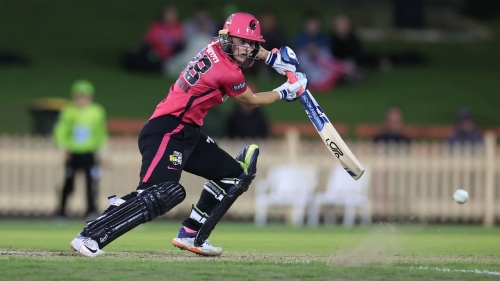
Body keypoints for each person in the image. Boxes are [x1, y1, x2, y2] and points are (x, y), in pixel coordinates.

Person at [69, 12, 308, 258]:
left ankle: (191, 233)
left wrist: (273, 58)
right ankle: (91, 236)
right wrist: (285, 91)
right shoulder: (228, 72)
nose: (246, 49)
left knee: (234, 176)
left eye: (251, 44)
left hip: (187, 132)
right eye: (242, 42)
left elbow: (243, 47)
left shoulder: (215, 45)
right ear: (228, 39)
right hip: (167, 129)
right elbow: (252, 100)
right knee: (162, 192)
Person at [53, 80, 108, 220]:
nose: (82, 99)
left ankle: (91, 210)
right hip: (73, 152)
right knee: (68, 182)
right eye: (79, 96)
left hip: (89, 152)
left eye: (85, 96)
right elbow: (61, 130)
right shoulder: (69, 111)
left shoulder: (97, 111)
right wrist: (63, 147)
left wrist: (102, 152)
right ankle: (62, 211)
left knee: (91, 183)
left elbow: (100, 133)